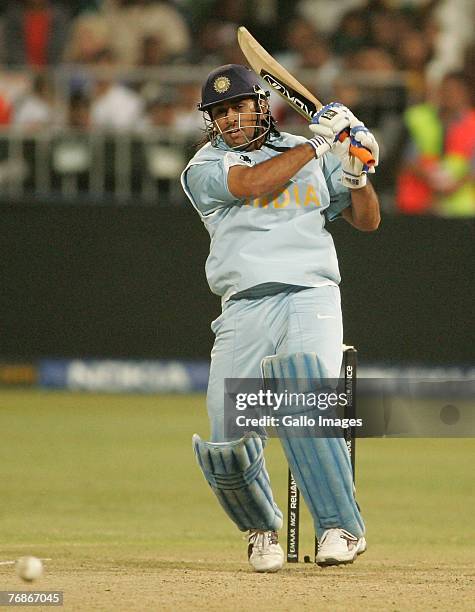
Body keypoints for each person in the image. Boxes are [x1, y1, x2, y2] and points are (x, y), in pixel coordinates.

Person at [181, 64, 380, 572]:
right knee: (227, 439)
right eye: (219, 112)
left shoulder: (307, 152)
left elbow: (367, 219)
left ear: (261, 105)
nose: (229, 119)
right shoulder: (204, 167)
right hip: (244, 303)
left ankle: (340, 527)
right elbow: (251, 184)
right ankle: (260, 532)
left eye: (238, 106)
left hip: (310, 293)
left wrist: (356, 167)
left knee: (304, 398)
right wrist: (321, 146)